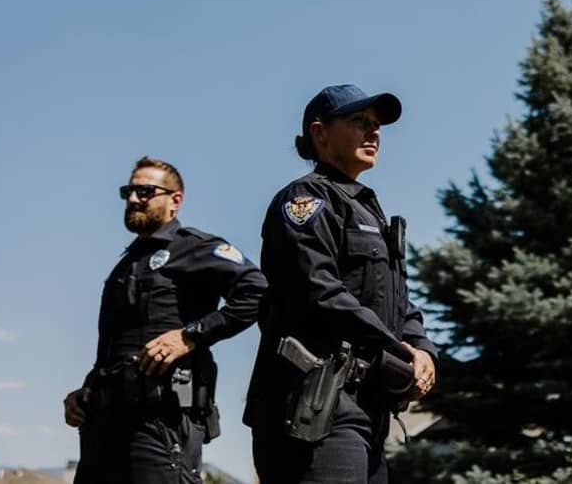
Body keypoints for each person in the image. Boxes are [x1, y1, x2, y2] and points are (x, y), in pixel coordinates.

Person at [244, 85, 438, 483]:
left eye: (376, 125)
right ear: (320, 133)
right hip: (315, 403)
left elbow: (400, 300)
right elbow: (319, 292)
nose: (374, 133)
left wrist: (423, 350)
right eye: (359, 122)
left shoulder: (368, 208)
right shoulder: (306, 200)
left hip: (369, 405)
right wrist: (397, 350)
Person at [63, 156, 267, 484]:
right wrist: (85, 392)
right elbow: (115, 347)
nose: (132, 199)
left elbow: (258, 293)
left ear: (175, 201)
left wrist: (190, 336)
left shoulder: (194, 247)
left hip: (160, 425)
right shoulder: (126, 264)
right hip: (102, 429)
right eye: (128, 191)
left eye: (144, 191)